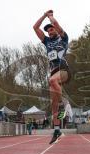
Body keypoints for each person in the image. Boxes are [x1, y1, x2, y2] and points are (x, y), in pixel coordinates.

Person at [33, 10, 71, 144]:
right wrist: (43, 15)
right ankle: (57, 131)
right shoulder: (47, 41)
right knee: (52, 104)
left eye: (51, 29)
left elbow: (57, 25)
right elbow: (35, 28)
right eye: (48, 30)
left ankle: (63, 105)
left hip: (63, 70)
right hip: (53, 71)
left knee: (52, 80)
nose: (49, 31)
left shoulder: (63, 37)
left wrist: (50, 17)